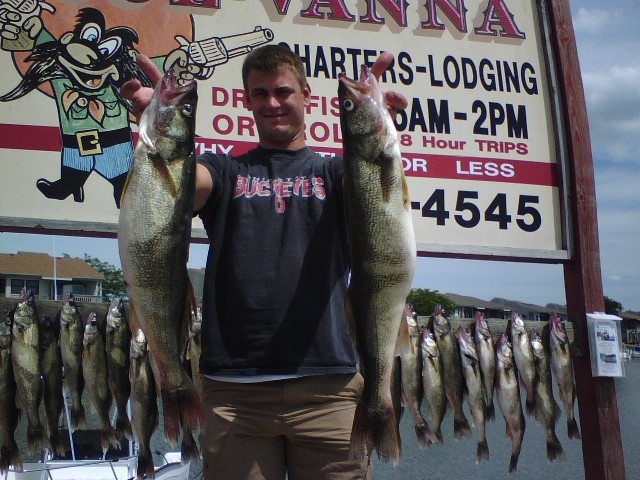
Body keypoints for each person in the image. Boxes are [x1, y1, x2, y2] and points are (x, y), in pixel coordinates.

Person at [121, 44, 407, 480]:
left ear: (307, 95)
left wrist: (377, 125)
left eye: (283, 91)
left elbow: (376, 192)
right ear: (247, 101)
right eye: (260, 94)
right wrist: (153, 128)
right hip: (235, 397)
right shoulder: (223, 171)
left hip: (328, 390)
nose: (272, 103)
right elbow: (175, 187)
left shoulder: (335, 173)